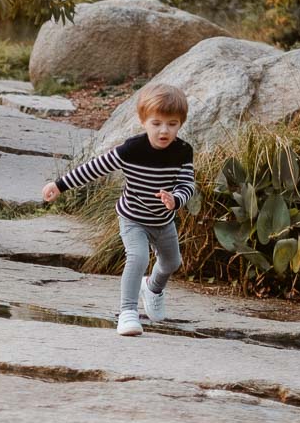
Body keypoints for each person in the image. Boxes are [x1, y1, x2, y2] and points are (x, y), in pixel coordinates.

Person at [41, 84, 195, 336]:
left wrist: (176, 199)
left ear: (180, 124)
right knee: (138, 257)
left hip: (163, 220)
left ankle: (153, 288)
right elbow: (94, 167)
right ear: (144, 121)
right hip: (132, 217)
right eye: (156, 123)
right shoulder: (131, 149)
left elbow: (187, 183)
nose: (164, 130)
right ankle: (128, 313)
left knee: (171, 263)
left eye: (172, 124)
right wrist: (59, 185)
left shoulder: (183, 151)